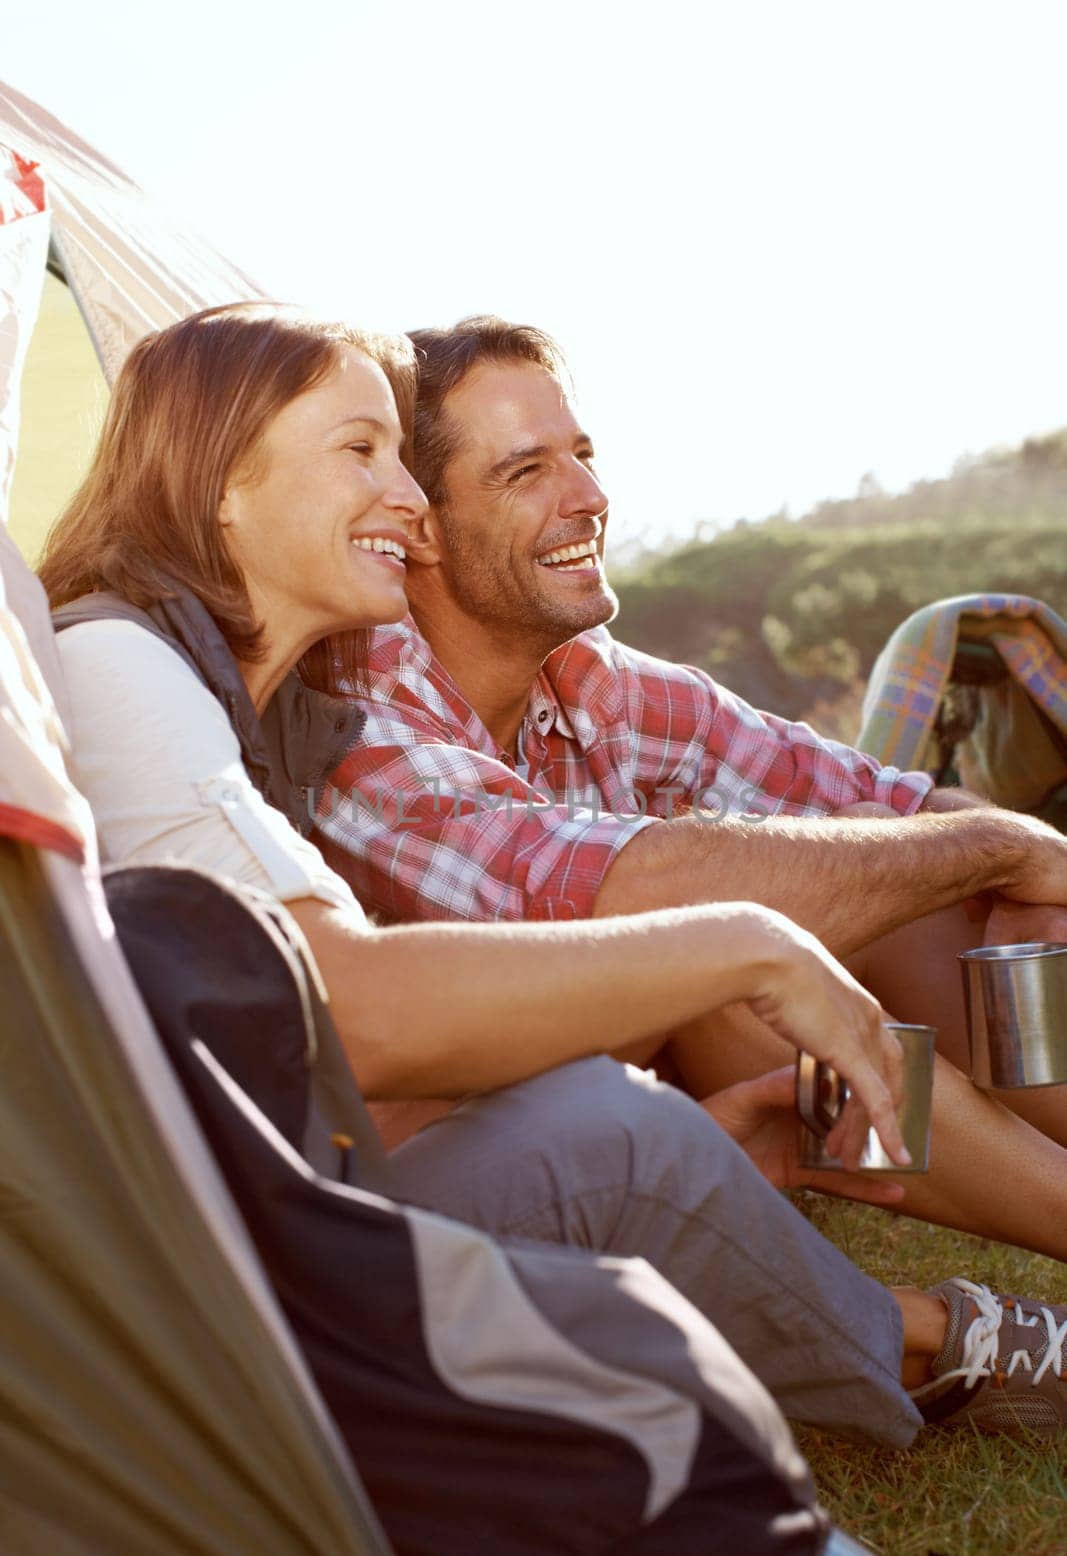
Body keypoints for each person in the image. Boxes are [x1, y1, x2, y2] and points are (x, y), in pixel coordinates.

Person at [40, 303, 1067, 1447]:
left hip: (277, 1188)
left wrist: (991, 845)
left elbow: (309, 1064)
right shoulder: (142, 672)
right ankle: (933, 1334)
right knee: (639, 1082)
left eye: (581, 457)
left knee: (893, 904)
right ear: (221, 479)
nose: (405, 503)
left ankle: (912, 1305)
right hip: (200, 1276)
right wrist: (740, 948)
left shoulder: (267, 706)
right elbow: (354, 1010)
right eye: (360, 452)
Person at [313, 313, 1067, 1249]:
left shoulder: (594, 678)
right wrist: (994, 843)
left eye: (580, 455)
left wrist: (1017, 865)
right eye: (525, 471)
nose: (588, 495)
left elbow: (866, 794)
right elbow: (605, 904)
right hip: (439, 1178)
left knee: (899, 862)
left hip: (615, 1093)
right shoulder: (355, 711)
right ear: (417, 528)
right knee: (715, 949)